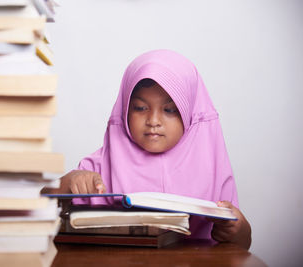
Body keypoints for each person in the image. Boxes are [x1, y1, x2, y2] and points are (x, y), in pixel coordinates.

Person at [43, 49, 252, 249]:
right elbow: (39, 204)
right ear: (125, 109)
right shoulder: (99, 167)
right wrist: (68, 183)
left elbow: (241, 244)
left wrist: (238, 229)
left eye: (170, 109)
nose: (153, 121)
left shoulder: (212, 167)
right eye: (140, 108)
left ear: (190, 114)